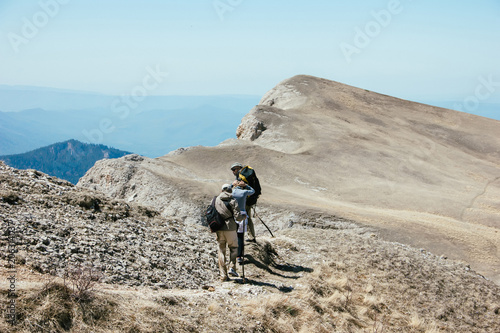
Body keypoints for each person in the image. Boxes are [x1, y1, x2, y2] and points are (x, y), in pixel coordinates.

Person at [215, 183, 244, 282]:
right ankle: (232, 267)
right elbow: (238, 217)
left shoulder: (215, 199)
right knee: (234, 247)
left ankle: (223, 275)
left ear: (222, 190)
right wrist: (243, 216)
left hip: (218, 228)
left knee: (221, 251)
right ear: (230, 190)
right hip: (230, 227)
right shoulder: (232, 200)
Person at [230, 162, 261, 242]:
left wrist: (232, 185)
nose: (233, 171)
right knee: (247, 218)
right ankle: (250, 237)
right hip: (249, 199)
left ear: (238, 168)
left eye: (234, 169)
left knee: (244, 218)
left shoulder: (241, 177)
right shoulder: (244, 175)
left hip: (245, 200)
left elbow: (235, 188)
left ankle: (249, 237)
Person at [230, 180, 255, 263]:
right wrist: (246, 185)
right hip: (242, 214)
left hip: (233, 214)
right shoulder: (243, 192)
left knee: (233, 235)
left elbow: (224, 190)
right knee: (240, 236)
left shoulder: (231, 192)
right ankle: (239, 256)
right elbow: (253, 191)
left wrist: (231, 184)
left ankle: (232, 254)